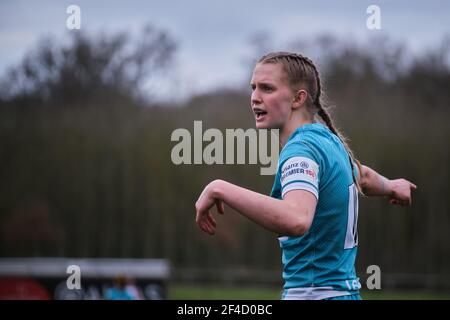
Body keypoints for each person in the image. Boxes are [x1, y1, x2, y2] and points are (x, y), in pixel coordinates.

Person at [195, 51, 417, 300]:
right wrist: (391, 185)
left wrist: (219, 188)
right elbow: (362, 176)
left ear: (297, 98)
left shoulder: (301, 150)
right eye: (253, 88)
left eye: (267, 88)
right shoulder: (329, 142)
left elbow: (297, 219)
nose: (255, 98)